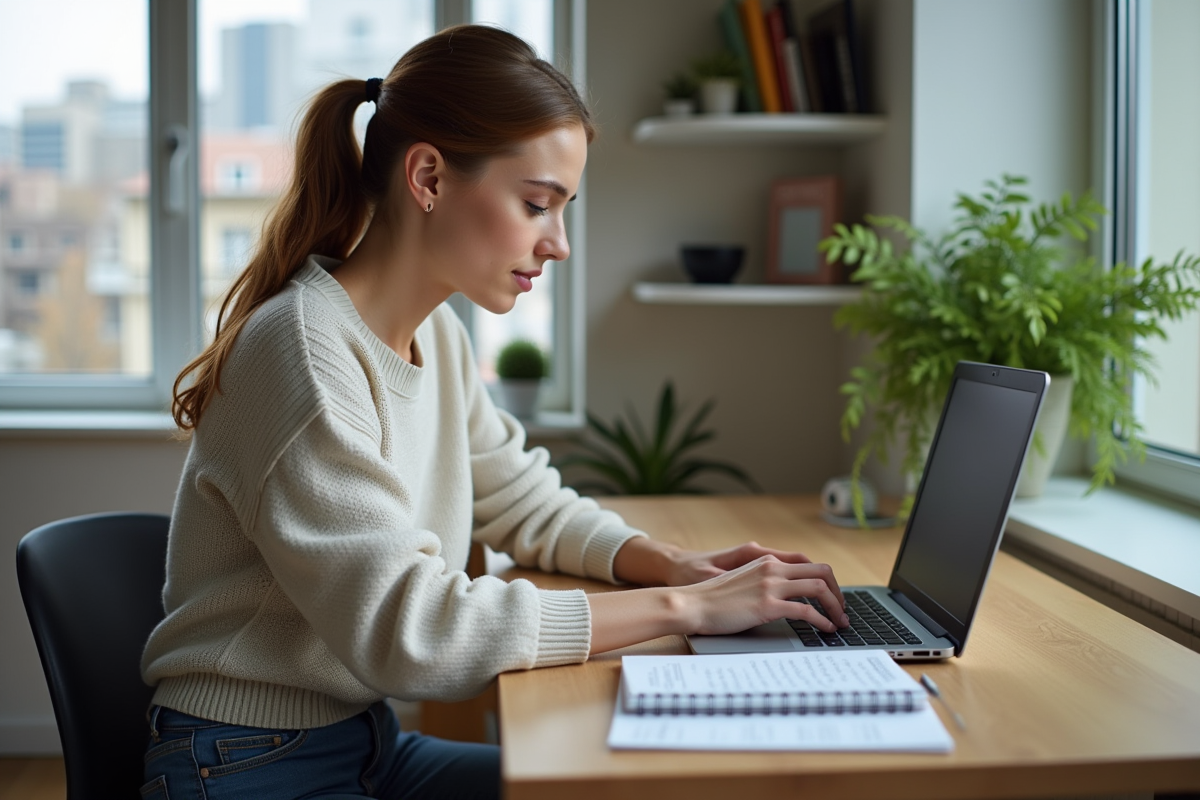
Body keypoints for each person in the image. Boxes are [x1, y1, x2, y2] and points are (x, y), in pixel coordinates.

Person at [139, 24, 848, 800]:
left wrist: (672, 564)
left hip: (364, 742)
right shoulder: (305, 352)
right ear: (430, 178)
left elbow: (520, 498)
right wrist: (687, 608)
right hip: (247, 764)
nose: (559, 245)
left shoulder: (433, 333)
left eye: (563, 209)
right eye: (538, 204)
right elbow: (411, 631)